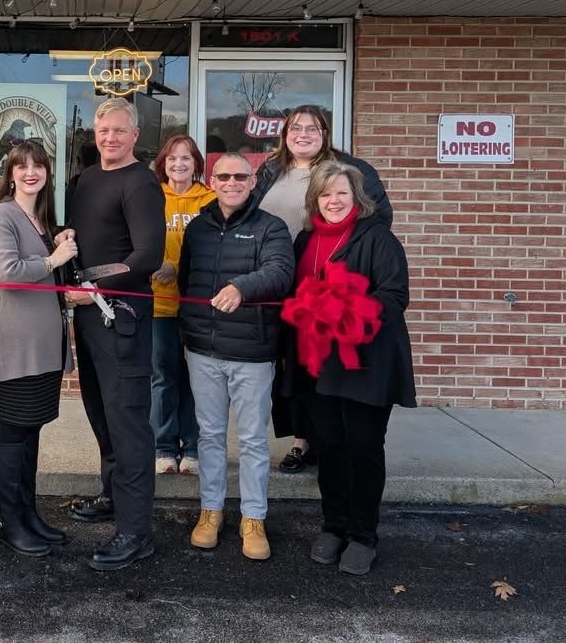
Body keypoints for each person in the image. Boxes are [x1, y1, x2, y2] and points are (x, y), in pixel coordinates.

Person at [254, 105, 393, 475]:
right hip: (281, 281)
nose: (303, 134)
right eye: (295, 128)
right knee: (293, 363)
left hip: (330, 279)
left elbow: (379, 217)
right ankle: (302, 439)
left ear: (325, 133)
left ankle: (329, 441)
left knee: (327, 362)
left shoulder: (351, 169)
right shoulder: (270, 170)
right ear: (285, 134)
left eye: (312, 128)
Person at [291, 160, 415, 575]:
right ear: (315, 200)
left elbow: (394, 295)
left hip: (366, 362)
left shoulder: (377, 238)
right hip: (318, 364)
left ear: (357, 197)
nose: (334, 201)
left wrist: (346, 311)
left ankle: (363, 535)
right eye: (326, 194)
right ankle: (334, 526)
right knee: (329, 447)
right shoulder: (306, 240)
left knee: (363, 448)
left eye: (341, 193)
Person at [64, 98, 166, 571]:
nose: (110, 137)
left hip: (121, 315)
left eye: (120, 130)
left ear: (135, 135)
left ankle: (136, 531)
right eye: (103, 129)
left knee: (128, 422)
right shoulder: (86, 179)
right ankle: (113, 496)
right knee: (100, 412)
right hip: (88, 315)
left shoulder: (141, 183)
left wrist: (95, 288)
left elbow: (147, 256)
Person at [176, 154, 294, 560]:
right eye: (223, 176)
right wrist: (188, 331)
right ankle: (211, 511)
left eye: (240, 176)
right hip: (203, 351)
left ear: (253, 180)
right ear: (212, 180)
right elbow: (188, 281)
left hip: (251, 352)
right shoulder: (198, 228)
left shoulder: (271, 227)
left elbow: (281, 273)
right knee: (209, 436)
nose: (231, 182)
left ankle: (253, 518)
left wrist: (242, 287)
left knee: (252, 440)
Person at [0, 140, 79, 557]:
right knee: (14, 429)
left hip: (45, 343)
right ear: (10, 174)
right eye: (22, 166)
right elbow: (7, 272)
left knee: (31, 428)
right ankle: (8, 522)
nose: (31, 172)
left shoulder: (40, 220)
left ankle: (28, 514)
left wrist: (60, 244)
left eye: (39, 166)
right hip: (16, 343)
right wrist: (55, 259)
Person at [149, 135, 215, 476]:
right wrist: (158, 262)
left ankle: (192, 447)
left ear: (196, 164)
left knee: (195, 379)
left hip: (198, 306)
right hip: (159, 305)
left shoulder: (211, 199)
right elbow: (140, 240)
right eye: (172, 158)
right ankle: (162, 447)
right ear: (163, 163)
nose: (179, 164)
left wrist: (175, 265)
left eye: (186, 158)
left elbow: (213, 247)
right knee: (163, 377)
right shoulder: (151, 196)